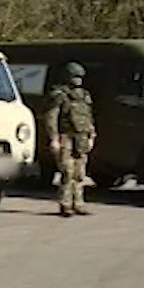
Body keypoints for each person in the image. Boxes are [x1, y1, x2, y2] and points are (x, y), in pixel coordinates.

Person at [45, 62, 96, 217]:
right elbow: (51, 117)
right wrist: (54, 138)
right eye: (75, 76)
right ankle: (65, 204)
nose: (78, 80)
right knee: (67, 171)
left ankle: (79, 203)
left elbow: (88, 117)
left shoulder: (84, 95)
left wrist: (92, 135)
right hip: (65, 137)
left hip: (81, 137)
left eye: (80, 77)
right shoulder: (59, 95)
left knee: (80, 173)